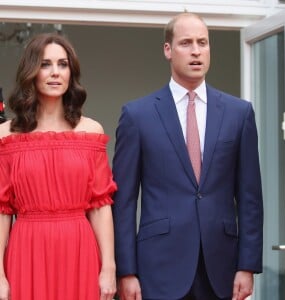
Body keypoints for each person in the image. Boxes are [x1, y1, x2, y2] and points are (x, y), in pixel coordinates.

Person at [112, 12, 263, 300]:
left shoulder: (239, 113)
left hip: (221, 267)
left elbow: (250, 197)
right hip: (157, 268)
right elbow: (124, 203)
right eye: (186, 43)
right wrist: (126, 271)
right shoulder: (137, 115)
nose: (196, 51)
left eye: (203, 43)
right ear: (168, 50)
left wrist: (247, 265)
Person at [0, 33, 117, 300]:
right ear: (31, 72)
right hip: (26, 249)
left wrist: (108, 268)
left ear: (71, 72)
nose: (55, 73)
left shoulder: (91, 131)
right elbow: (2, 210)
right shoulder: (5, 136)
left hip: (80, 250)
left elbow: (100, 205)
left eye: (62, 64)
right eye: (45, 64)